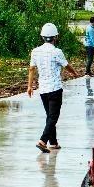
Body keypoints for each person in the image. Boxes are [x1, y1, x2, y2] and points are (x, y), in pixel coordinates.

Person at [27, 22, 77, 153]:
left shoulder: (35, 51)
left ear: (42, 37)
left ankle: (53, 143)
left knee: (50, 116)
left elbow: (31, 69)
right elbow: (66, 65)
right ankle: (42, 141)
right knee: (53, 117)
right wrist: (75, 73)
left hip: (43, 89)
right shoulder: (57, 52)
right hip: (55, 88)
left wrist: (29, 86)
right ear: (55, 37)